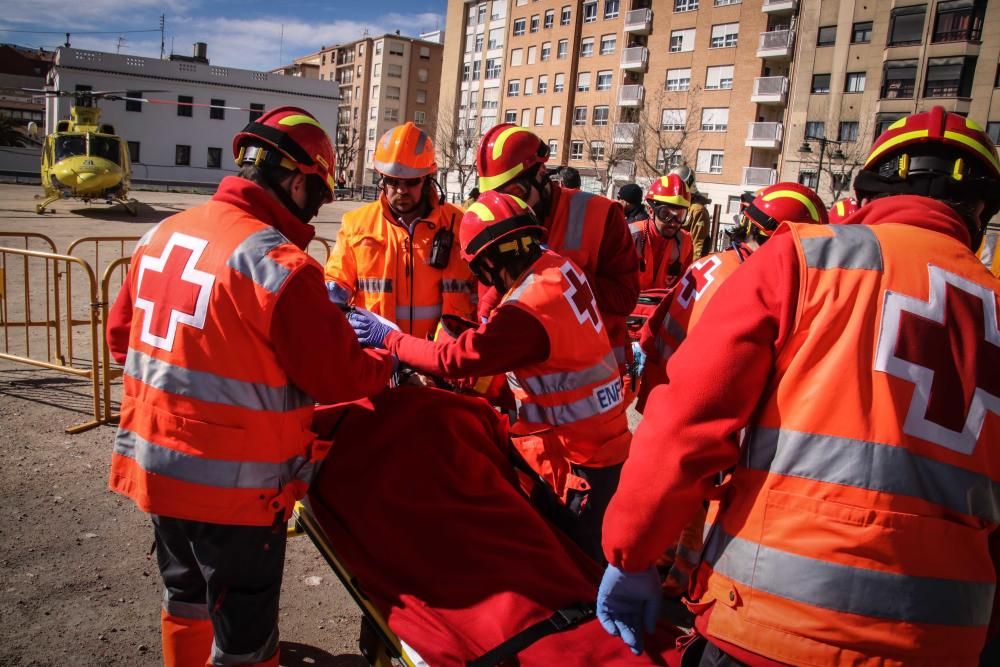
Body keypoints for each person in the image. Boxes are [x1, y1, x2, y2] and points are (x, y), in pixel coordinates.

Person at [597, 105, 1000, 663]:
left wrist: (630, 554)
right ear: (982, 210)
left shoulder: (802, 260)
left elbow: (688, 423)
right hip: (942, 640)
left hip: (768, 619)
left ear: (869, 190)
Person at [104, 106, 395, 667]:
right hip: (235, 492)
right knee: (245, 635)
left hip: (156, 469)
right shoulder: (279, 264)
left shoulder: (159, 234)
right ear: (294, 180)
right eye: (319, 192)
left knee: (185, 599)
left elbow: (123, 341)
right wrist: (382, 356)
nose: (321, 206)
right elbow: (338, 376)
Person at [348, 191, 632, 562]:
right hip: (604, 439)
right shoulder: (558, 266)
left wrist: (388, 337)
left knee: (573, 564)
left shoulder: (527, 312)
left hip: (578, 461)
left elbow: (454, 359)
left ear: (488, 262)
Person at [636, 181, 828, 412]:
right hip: (690, 402)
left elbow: (655, 324)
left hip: (660, 383)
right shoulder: (749, 282)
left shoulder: (709, 261)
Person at [475, 124, 639, 372]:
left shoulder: (601, 216)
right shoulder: (499, 220)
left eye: (515, 194)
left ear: (541, 174)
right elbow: (488, 298)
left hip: (592, 376)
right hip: (527, 374)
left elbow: (624, 298)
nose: (508, 207)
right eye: (498, 198)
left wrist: (561, 278)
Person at [324, 121, 476, 341]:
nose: (401, 190)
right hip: (381, 356)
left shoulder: (459, 223)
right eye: (393, 181)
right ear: (382, 179)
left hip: (442, 357)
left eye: (411, 182)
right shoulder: (356, 224)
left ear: (426, 179)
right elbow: (336, 279)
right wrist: (331, 296)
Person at [631, 174, 693, 291]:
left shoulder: (686, 242)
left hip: (664, 307)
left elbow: (683, 287)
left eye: (680, 216)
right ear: (651, 211)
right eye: (665, 214)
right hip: (630, 307)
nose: (674, 223)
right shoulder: (629, 236)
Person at [670, 166, 711, 260]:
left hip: (684, 262)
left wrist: (692, 270)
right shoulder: (677, 206)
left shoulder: (697, 210)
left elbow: (698, 245)